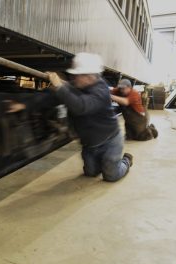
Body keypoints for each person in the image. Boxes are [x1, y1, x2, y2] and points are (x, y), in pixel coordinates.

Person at [8, 53, 132, 182]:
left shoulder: (101, 91)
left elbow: (82, 107)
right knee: (90, 173)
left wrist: (60, 87)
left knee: (111, 175)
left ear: (89, 77)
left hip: (110, 141)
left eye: (76, 75)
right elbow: (50, 99)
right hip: (89, 144)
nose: (73, 78)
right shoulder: (76, 86)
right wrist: (23, 105)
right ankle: (104, 163)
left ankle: (126, 161)